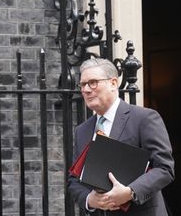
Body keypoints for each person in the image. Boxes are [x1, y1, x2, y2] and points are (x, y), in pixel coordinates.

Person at [67, 58, 174, 216]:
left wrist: (130, 192)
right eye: (83, 85)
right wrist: (90, 200)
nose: (86, 90)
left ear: (113, 83)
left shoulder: (144, 118)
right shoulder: (82, 130)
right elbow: (74, 180)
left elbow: (164, 168)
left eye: (93, 82)